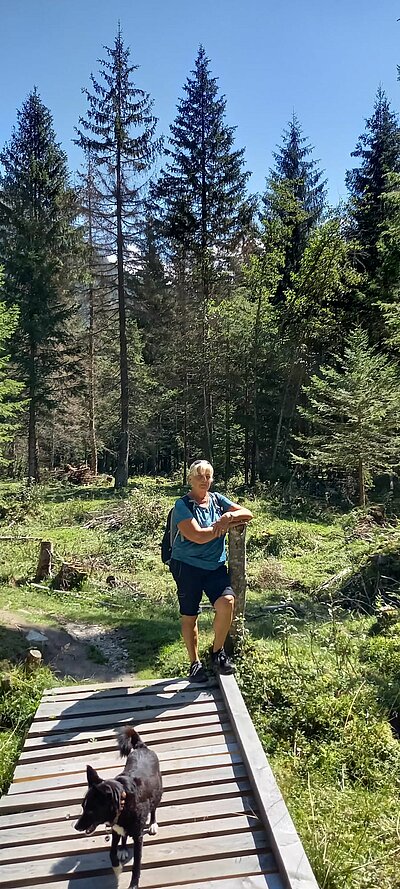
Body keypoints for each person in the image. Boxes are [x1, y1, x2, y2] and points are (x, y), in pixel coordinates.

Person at [170, 459, 253, 683]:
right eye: (199, 476)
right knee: (190, 615)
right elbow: (197, 536)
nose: (204, 480)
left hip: (215, 565)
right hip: (187, 567)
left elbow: (248, 513)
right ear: (190, 479)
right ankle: (194, 663)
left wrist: (228, 517)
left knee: (227, 602)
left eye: (208, 476)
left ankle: (217, 653)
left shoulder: (217, 500)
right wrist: (220, 528)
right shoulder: (182, 506)